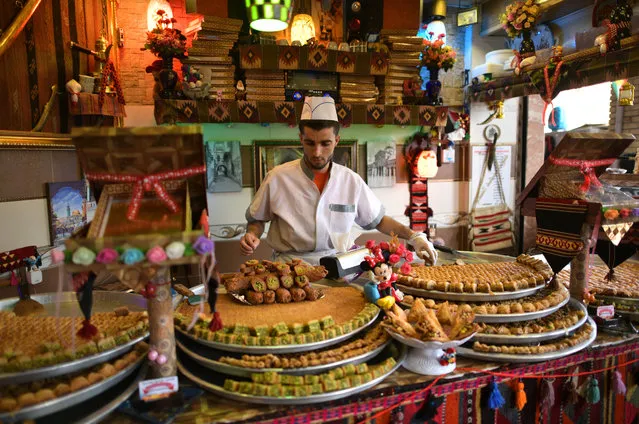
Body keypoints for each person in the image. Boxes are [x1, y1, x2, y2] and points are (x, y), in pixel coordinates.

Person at [240, 96, 438, 266]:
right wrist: (252, 235)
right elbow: (257, 219)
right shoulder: (277, 177)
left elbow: (379, 221)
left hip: (336, 267)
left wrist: (415, 236)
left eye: (325, 143)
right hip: (289, 267)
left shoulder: (351, 181)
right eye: (310, 143)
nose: (317, 152)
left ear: (337, 141)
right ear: (301, 138)